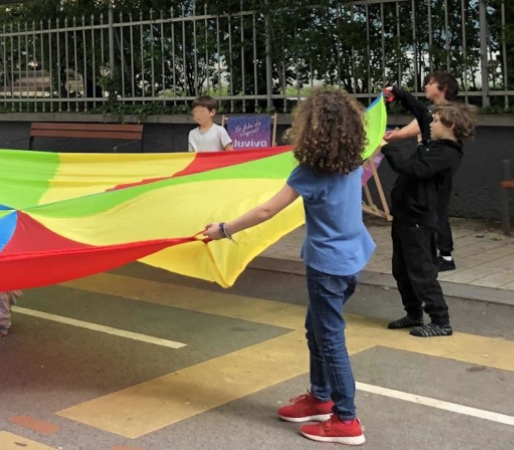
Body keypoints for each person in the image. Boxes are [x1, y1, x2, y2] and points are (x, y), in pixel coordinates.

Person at [203, 88, 374, 446]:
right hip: (351, 260)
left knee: (329, 338)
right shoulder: (352, 162)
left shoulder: (309, 172)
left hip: (327, 266)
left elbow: (267, 210)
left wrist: (223, 230)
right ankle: (320, 397)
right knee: (317, 329)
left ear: (310, 128)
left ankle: (346, 420)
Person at [381, 85, 477, 338]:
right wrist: (399, 93)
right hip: (403, 216)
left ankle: (440, 320)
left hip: (419, 220)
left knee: (422, 272)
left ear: (451, 126)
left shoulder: (447, 154)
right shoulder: (434, 140)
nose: (430, 123)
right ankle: (413, 314)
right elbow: (421, 112)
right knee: (401, 270)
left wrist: (386, 147)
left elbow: (414, 169)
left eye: (436, 120)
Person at [383, 71, 460, 272]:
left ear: (443, 88)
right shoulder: (434, 113)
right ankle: (430, 252)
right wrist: (399, 94)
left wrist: (394, 139)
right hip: (426, 166)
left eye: (431, 83)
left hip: (435, 169)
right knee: (426, 208)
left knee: (436, 209)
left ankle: (445, 255)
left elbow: (420, 119)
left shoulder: (450, 115)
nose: (426, 86)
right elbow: (419, 114)